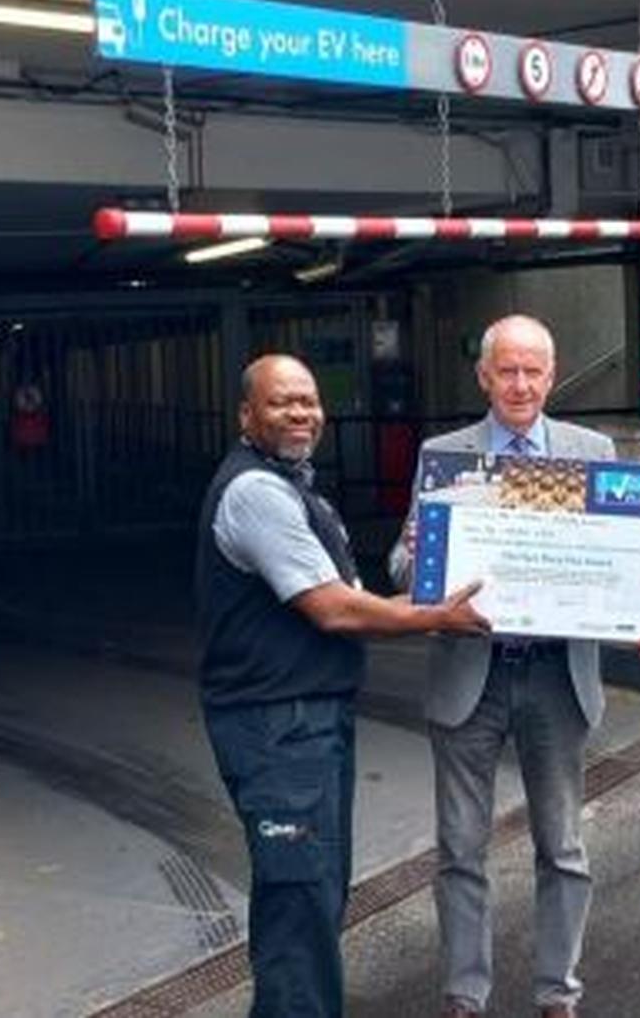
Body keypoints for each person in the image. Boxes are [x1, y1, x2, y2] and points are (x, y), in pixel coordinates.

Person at [199, 354, 492, 1018]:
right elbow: (333, 608)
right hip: (276, 726)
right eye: (281, 403)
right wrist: (433, 616)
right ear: (246, 415)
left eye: (308, 401)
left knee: (316, 893)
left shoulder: (299, 489)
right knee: (299, 899)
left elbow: (356, 594)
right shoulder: (256, 493)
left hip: (308, 722)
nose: (300, 412)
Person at [387, 314, 615, 1018]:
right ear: (483, 376)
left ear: (553, 375)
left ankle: (558, 993)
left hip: (556, 674)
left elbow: (623, 557)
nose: (520, 384)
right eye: (506, 371)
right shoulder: (445, 455)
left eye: (532, 371)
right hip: (470, 674)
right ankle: (464, 994)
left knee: (564, 845)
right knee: (460, 847)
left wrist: (639, 604)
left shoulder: (592, 449)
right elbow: (399, 563)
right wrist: (429, 556)